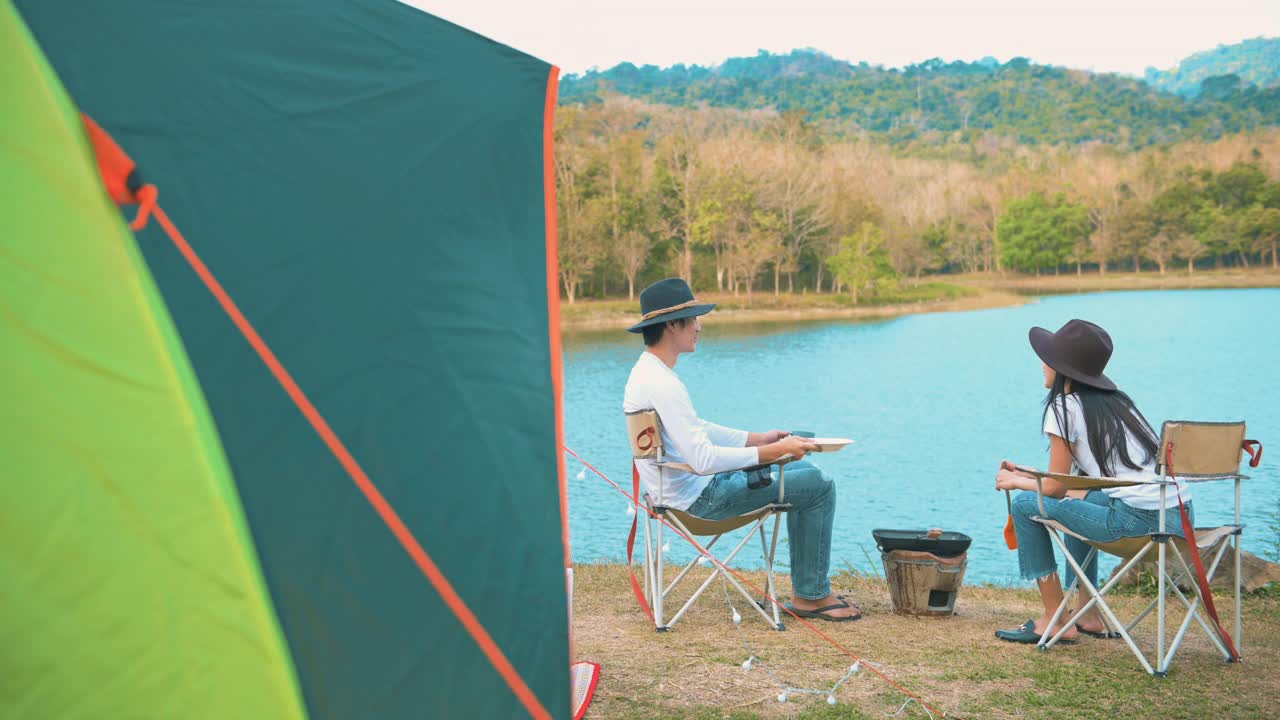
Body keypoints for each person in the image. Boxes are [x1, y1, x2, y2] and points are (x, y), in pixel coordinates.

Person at [622, 277, 861, 621]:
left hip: (676, 491)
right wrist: (772, 453)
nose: (699, 327)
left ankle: (811, 589)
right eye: (693, 319)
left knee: (805, 457)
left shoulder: (646, 374)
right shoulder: (662, 383)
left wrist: (760, 439)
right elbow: (702, 459)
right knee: (818, 485)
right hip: (700, 501)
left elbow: (696, 429)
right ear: (673, 325)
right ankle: (811, 596)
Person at [993, 319, 1191, 644]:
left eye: (1048, 358)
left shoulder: (1063, 407)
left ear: (1063, 367)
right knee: (1077, 501)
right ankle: (1088, 614)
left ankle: (1055, 618)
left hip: (1135, 524)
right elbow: (1079, 482)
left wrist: (1016, 484)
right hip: (1177, 522)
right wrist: (1027, 474)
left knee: (1026, 505)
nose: (1042, 364)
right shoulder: (1119, 404)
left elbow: (1055, 489)